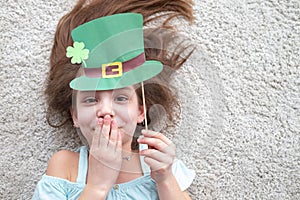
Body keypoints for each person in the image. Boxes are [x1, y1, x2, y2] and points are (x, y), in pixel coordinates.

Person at [32, 0, 195, 199]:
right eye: (91, 100)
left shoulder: (156, 163)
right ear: (74, 115)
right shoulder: (66, 165)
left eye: (120, 97)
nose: (106, 110)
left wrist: (165, 178)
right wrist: (97, 186)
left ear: (141, 112)